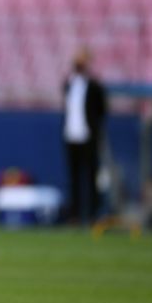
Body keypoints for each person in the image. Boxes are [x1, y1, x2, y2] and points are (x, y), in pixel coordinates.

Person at [63, 47, 107, 223]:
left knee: (91, 176)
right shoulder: (68, 84)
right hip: (71, 135)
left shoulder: (94, 86)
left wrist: (95, 129)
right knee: (74, 177)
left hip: (88, 136)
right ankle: (75, 215)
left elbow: (102, 110)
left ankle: (93, 214)